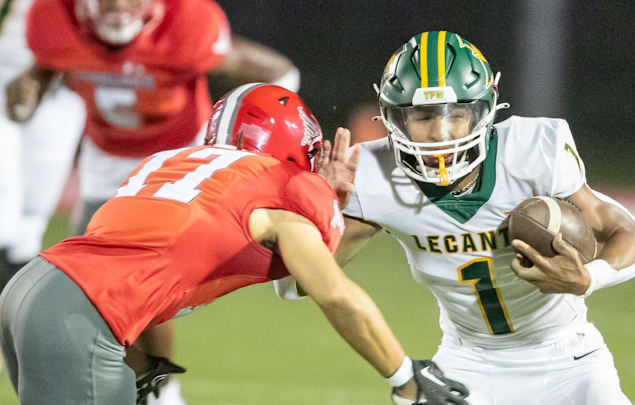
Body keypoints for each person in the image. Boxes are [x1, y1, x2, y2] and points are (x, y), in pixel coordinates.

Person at [0, 84, 469, 405]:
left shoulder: (173, 162)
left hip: (31, 290)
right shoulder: (284, 184)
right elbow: (331, 291)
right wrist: (405, 376)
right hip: (80, 317)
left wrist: (152, 365)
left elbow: (147, 275)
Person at [277, 31, 635, 404]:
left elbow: (629, 234)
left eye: (456, 114)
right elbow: (295, 285)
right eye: (423, 115)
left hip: (569, 358)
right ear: (394, 118)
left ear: (486, 108)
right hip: (468, 365)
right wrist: (323, 209)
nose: (440, 133)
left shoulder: (534, 149)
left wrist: (590, 277)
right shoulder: (371, 173)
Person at [3, 1, 301, 402]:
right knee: (91, 285)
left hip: (176, 164)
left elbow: (278, 75)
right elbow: (47, 67)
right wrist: (29, 91)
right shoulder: (54, 17)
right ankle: (143, 379)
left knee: (142, 281)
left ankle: (160, 389)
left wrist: (250, 142)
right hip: (105, 161)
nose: (118, 7)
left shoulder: (186, 24)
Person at [0, 0, 86, 289]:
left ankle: (11, 319)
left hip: (57, 92)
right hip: (4, 83)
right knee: (4, 203)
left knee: (33, 214)